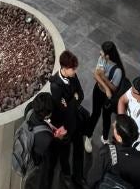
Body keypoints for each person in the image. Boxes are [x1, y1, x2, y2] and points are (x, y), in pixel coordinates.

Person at [49, 50, 86, 188]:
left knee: (79, 149)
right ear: (64, 68)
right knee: (65, 152)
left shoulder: (73, 75)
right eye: (73, 69)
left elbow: (81, 94)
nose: (75, 71)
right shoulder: (55, 85)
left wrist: (71, 101)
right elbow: (62, 108)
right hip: (63, 125)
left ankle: (78, 176)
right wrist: (74, 99)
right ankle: (66, 175)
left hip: (75, 119)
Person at [87, 115, 140, 189]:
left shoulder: (106, 153)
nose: (112, 125)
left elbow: (91, 180)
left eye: (115, 127)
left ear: (119, 138)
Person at [84, 41, 125, 151]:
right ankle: (88, 136)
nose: (100, 52)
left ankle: (105, 138)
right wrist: (106, 87)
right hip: (98, 92)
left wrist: (104, 78)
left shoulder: (118, 71)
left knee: (106, 117)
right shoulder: (102, 59)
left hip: (108, 98)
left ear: (108, 55)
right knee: (95, 114)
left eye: (102, 52)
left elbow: (114, 88)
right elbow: (96, 75)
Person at [23, 91, 60, 189]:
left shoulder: (29, 109)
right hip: (40, 159)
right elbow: (49, 158)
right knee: (45, 176)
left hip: (29, 146)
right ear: (47, 115)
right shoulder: (46, 138)